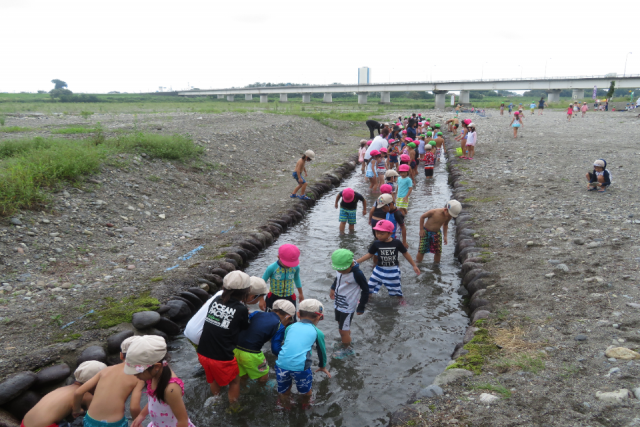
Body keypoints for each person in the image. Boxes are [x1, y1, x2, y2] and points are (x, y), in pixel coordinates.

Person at [196, 271, 251, 406]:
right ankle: (234, 407)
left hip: (202, 352)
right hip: (221, 358)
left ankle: (215, 400)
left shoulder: (215, 300)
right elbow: (245, 327)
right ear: (246, 291)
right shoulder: (241, 308)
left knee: (214, 379)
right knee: (235, 381)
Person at [125, 336, 195, 427]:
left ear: (156, 367)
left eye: (138, 372)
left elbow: (183, 421)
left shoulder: (171, 389)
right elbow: (154, 400)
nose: (135, 375)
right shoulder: (154, 375)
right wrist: (142, 415)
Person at [275, 299, 330, 409]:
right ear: (319, 317)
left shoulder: (290, 327)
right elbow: (321, 352)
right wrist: (322, 366)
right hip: (301, 368)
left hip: (281, 364)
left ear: (298, 314)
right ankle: (305, 405)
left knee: (284, 391)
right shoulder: (317, 332)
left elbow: (287, 344)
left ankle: (285, 404)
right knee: (306, 392)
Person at [72, 350, 145, 427]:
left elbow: (78, 392)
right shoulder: (138, 377)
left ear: (121, 355)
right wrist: (137, 423)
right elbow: (133, 407)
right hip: (115, 424)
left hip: (91, 420)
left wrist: (77, 410)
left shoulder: (105, 370)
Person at [22, 361, 107, 427]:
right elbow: (95, 416)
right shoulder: (87, 395)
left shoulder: (63, 389)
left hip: (24, 423)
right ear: (95, 383)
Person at [234, 298, 296, 385]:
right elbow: (275, 349)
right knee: (264, 376)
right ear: (288, 317)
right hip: (252, 354)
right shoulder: (279, 326)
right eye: (290, 321)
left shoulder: (256, 313)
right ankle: (262, 389)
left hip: (235, 349)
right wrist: (286, 356)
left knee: (243, 373)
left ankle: (243, 388)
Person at [355, 220, 420, 298]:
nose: (379, 236)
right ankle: (366, 300)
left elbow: (405, 253)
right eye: (376, 233)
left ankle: (400, 300)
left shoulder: (396, 243)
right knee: (370, 286)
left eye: (382, 234)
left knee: (396, 289)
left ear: (390, 233)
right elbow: (370, 254)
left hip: (393, 270)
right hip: (378, 270)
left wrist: (414, 265)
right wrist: (357, 261)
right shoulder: (376, 243)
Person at [329, 249, 369, 359]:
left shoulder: (357, 274)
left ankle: (347, 349)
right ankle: (346, 338)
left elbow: (366, 290)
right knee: (340, 324)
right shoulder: (341, 269)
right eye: (338, 269)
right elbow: (337, 279)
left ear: (351, 264)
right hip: (339, 303)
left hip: (347, 307)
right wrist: (333, 288)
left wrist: (361, 307)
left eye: (342, 270)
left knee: (342, 330)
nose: (340, 271)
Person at [416, 200, 462, 265]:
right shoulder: (433, 212)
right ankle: (418, 264)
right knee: (422, 250)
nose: (450, 217)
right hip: (426, 232)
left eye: (451, 216)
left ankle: (436, 265)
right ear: (446, 210)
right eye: (450, 215)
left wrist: (445, 236)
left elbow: (445, 225)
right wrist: (421, 229)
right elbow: (422, 217)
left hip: (436, 233)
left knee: (438, 251)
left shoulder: (448, 216)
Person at [263, 244, 304, 311]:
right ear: (278, 257)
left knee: (290, 319)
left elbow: (297, 279)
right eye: (288, 263)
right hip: (274, 296)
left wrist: (301, 293)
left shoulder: (295, 267)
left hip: (289, 297)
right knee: (271, 318)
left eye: (292, 263)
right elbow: (262, 283)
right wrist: (261, 299)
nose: (289, 266)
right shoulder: (272, 268)